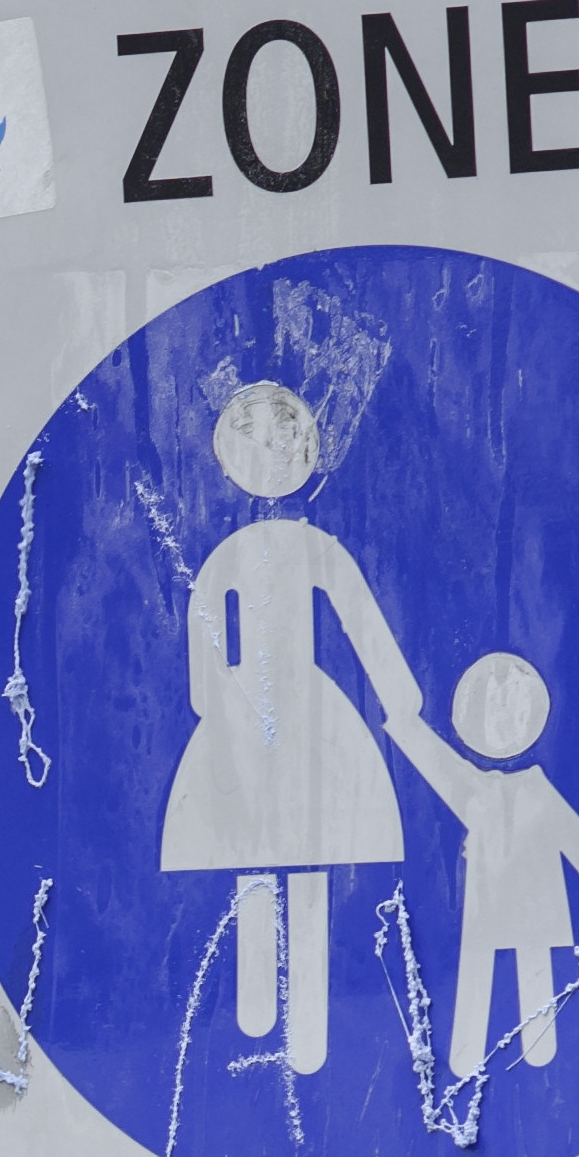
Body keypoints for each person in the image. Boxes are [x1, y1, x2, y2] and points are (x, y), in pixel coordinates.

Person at [164, 381, 415, 1074]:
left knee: (311, 858)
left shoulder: (315, 548)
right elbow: (205, 639)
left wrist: (399, 693)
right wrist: (217, 714)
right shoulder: (229, 555)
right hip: (249, 710)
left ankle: (307, 1036)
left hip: (306, 714)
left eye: (283, 441)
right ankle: (255, 1008)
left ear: (307, 450)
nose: (271, 456)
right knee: (252, 852)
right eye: (254, 443)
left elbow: (359, 616)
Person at [378, 649, 579, 1077]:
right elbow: (437, 764)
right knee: (484, 973)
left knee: (522, 975)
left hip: (519, 906)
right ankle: (472, 1062)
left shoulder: (520, 792)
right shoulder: (489, 791)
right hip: (505, 906)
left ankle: (530, 1062)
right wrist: (404, 725)